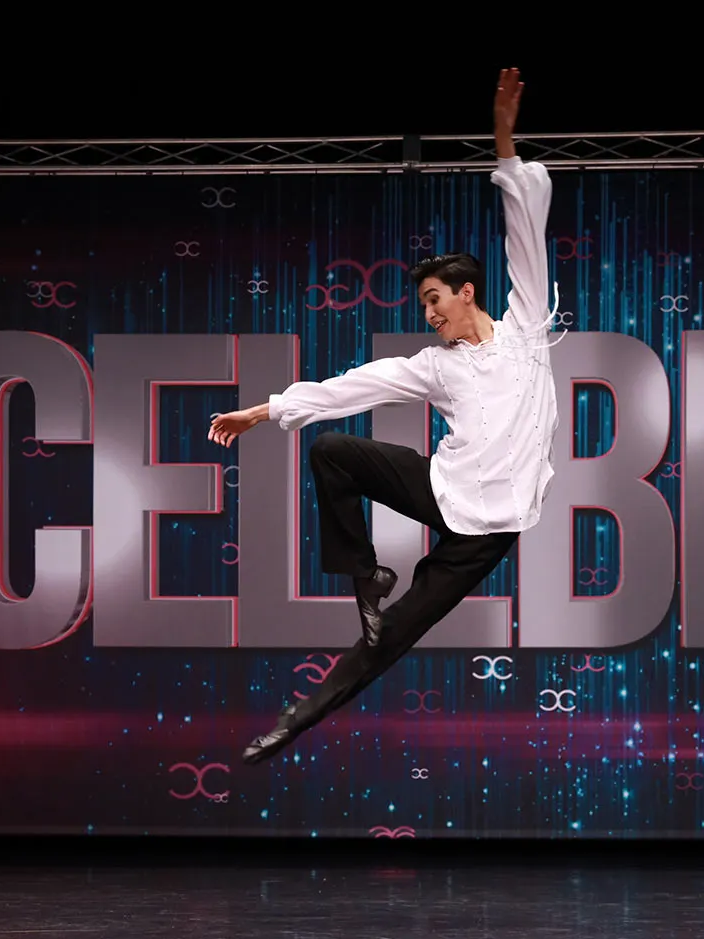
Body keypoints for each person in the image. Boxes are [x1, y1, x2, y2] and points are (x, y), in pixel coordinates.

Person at [207, 67, 558, 766]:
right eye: (424, 304)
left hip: (487, 533)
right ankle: (365, 573)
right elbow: (352, 386)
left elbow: (524, 233)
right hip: (444, 488)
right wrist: (266, 410)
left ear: (466, 293)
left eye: (434, 299)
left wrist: (503, 137)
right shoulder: (436, 364)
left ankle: (296, 720)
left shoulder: (525, 330)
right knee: (333, 449)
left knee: (388, 638)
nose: (428, 313)